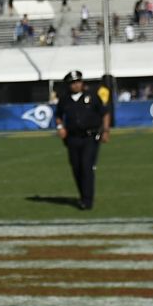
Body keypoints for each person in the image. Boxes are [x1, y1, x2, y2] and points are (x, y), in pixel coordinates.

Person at [54, 70, 109, 210]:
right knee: (77, 168)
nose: (76, 85)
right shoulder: (64, 99)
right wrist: (60, 127)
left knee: (86, 166)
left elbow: (105, 113)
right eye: (73, 83)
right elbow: (58, 115)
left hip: (90, 136)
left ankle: (87, 200)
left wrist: (106, 130)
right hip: (72, 138)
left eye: (78, 82)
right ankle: (83, 195)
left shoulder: (92, 96)